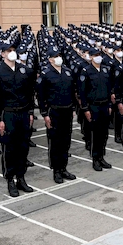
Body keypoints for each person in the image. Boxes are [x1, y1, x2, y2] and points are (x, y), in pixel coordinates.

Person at [0, 39, 35, 198]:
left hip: (23, 113)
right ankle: (10, 179)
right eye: (8, 51)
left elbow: (29, 93)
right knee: (9, 148)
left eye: (13, 50)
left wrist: (30, 112)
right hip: (7, 114)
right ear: (2, 54)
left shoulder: (24, 70)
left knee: (23, 147)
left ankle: (21, 178)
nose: (11, 53)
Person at [37, 47, 78, 182]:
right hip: (54, 112)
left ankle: (64, 168)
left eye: (59, 55)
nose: (58, 58)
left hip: (66, 110)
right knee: (55, 142)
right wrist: (45, 114)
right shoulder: (46, 74)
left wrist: (72, 109)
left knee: (66, 141)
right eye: (55, 56)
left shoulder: (67, 72)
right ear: (50, 59)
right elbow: (41, 96)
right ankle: (56, 170)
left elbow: (72, 92)